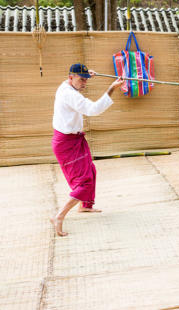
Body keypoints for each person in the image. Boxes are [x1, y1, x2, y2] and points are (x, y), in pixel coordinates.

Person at [50, 63, 124, 237]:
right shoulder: (69, 94)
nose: (84, 83)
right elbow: (93, 110)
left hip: (75, 139)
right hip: (66, 143)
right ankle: (59, 215)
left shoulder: (66, 84)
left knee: (91, 170)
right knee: (85, 182)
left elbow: (76, 79)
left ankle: (85, 206)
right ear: (71, 78)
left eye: (86, 79)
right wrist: (112, 88)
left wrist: (86, 74)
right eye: (81, 79)